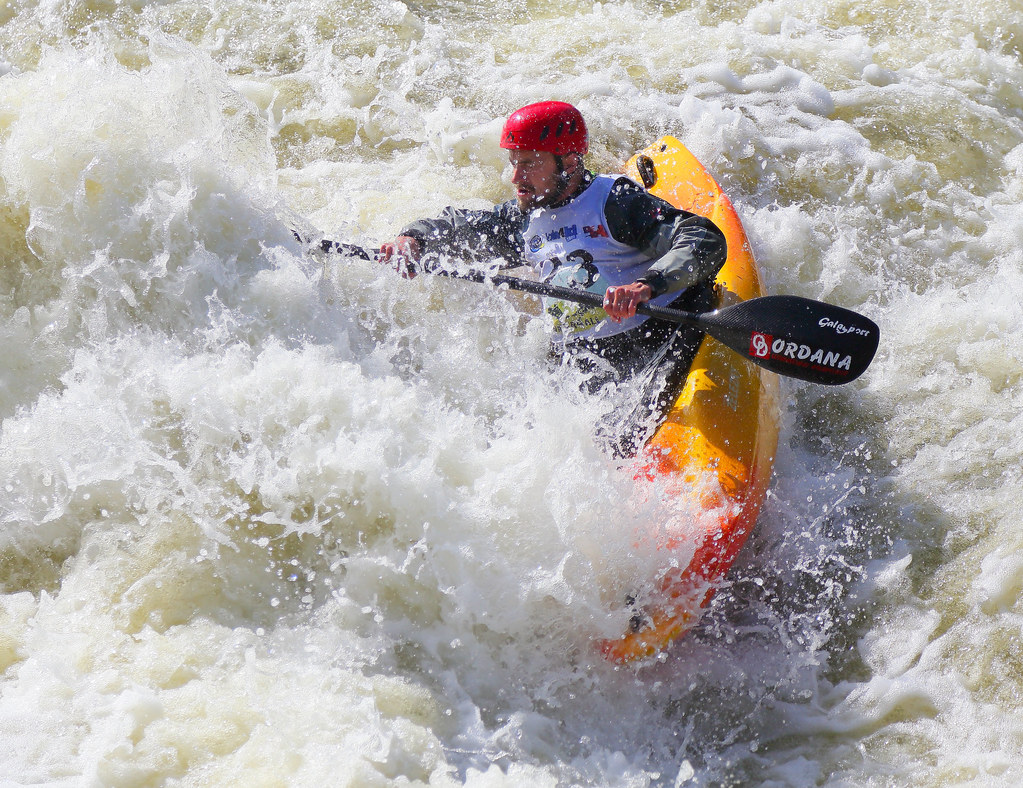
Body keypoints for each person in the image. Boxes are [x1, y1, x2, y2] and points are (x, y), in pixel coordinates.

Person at [378, 101, 728, 452]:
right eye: (513, 163)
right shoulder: (521, 221)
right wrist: (413, 238)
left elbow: (703, 239)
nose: (515, 178)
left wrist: (646, 285)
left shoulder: (615, 202)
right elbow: (460, 227)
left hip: (657, 336)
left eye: (529, 163)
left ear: (570, 161)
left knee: (623, 446)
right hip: (584, 361)